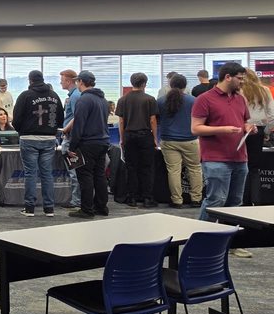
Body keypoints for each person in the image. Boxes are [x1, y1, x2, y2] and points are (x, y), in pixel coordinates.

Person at [192, 62, 256, 259]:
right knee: (215, 201)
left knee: (235, 202)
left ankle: (230, 244)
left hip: (239, 157)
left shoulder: (240, 99)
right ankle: (200, 242)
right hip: (215, 159)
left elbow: (245, 120)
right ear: (227, 77)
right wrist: (223, 129)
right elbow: (196, 128)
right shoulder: (205, 99)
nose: (242, 82)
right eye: (239, 78)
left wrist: (248, 128)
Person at [12, 70, 63, 218]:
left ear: (30, 80)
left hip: (28, 138)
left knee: (30, 173)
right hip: (48, 139)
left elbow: (16, 120)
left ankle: (29, 208)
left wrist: (22, 131)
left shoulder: (25, 96)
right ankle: (49, 208)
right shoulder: (54, 96)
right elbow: (60, 118)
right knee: (47, 173)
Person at [68, 71, 111, 219]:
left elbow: (79, 125)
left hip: (87, 143)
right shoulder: (103, 100)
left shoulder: (84, 99)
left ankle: (86, 209)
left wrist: (71, 147)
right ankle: (101, 206)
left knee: (85, 176)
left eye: (77, 81)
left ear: (81, 82)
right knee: (99, 176)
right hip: (103, 142)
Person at [157, 74, 203, 209]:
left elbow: (157, 120)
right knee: (195, 169)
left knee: (173, 171)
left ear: (170, 85)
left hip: (168, 140)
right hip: (191, 140)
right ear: (185, 86)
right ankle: (196, 199)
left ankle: (177, 200)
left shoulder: (160, 101)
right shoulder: (194, 100)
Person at [116, 72, 160, 207]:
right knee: (146, 167)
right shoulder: (150, 99)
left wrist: (122, 139)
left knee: (131, 167)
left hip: (129, 135)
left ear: (131, 83)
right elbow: (153, 120)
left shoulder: (123, 99)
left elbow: (121, 122)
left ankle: (132, 198)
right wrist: (155, 138)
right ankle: (147, 198)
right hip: (145, 135)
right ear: (144, 84)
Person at [241, 68, 274, 206]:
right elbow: (272, 114)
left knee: (240, 166)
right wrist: (266, 132)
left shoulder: (238, 91)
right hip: (258, 131)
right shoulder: (264, 90)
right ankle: (255, 200)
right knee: (254, 168)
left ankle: (241, 200)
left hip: (240, 129)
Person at [58, 69, 82, 211]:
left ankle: (76, 200)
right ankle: (77, 199)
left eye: (62, 80)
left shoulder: (75, 96)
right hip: (70, 136)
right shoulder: (73, 95)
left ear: (68, 81)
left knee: (74, 171)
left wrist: (66, 129)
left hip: (71, 137)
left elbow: (77, 116)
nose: (61, 82)